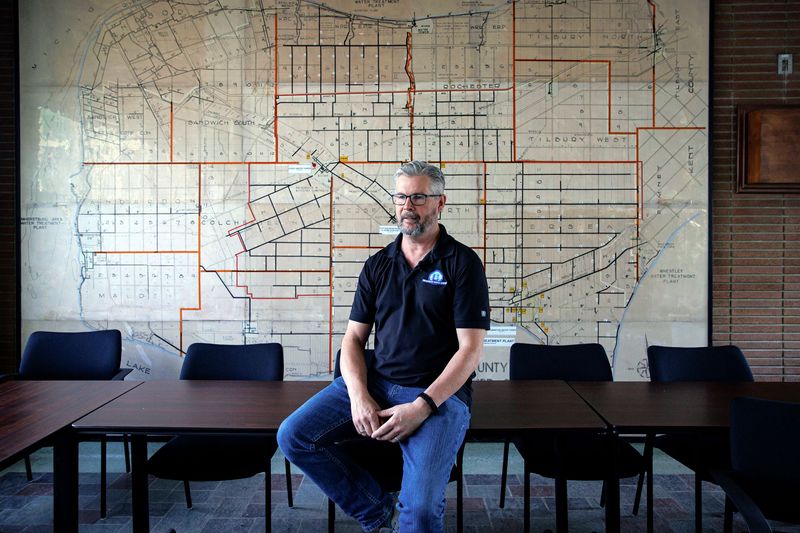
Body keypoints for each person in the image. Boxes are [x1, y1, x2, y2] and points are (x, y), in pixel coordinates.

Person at [277, 161, 490, 532]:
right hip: (377, 383)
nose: (408, 205)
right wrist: (359, 395)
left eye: (419, 197)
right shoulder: (378, 265)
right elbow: (354, 340)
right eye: (401, 196)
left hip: (437, 395)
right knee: (294, 436)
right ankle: (378, 511)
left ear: (440, 203)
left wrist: (422, 406)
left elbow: (470, 350)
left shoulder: (463, 263)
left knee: (421, 512)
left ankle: (402, 516)